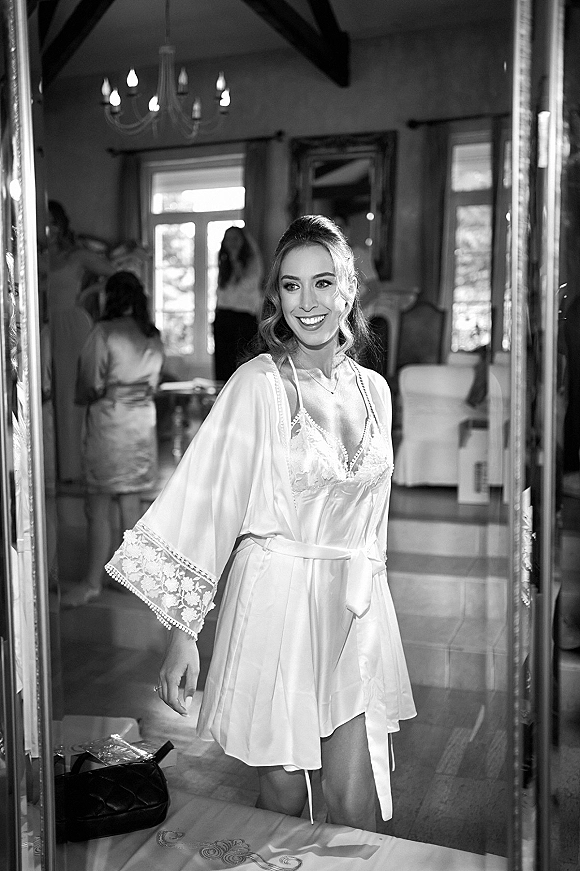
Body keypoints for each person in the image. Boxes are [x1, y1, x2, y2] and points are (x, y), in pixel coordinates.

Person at [105, 216, 415, 831]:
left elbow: (374, 517)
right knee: (283, 802)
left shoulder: (375, 391)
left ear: (349, 290)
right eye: (292, 286)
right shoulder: (258, 385)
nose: (308, 302)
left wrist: (375, 602)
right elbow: (206, 499)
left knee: (354, 798)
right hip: (275, 603)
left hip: (353, 607)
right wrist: (183, 631)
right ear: (275, 296)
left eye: (324, 283)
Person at [61, 271, 164, 608]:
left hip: (110, 422)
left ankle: (92, 582)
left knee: (98, 505)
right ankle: (131, 579)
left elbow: (89, 381)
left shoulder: (103, 332)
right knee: (131, 506)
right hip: (141, 423)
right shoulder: (153, 336)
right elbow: (154, 381)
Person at [46, 200, 116, 483]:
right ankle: (55, 468)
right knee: (52, 397)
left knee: (70, 395)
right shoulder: (31, 252)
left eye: (51, 221)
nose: (47, 228)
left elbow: (116, 275)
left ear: (61, 225)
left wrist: (88, 292)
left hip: (73, 325)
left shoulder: (76, 255)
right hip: (44, 327)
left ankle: (75, 469)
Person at [213, 225, 263, 382]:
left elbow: (245, 286)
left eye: (235, 238)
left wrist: (235, 259)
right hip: (223, 317)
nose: (231, 243)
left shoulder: (253, 261)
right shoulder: (223, 262)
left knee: (244, 365)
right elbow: (223, 293)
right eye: (228, 239)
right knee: (223, 367)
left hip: (244, 319)